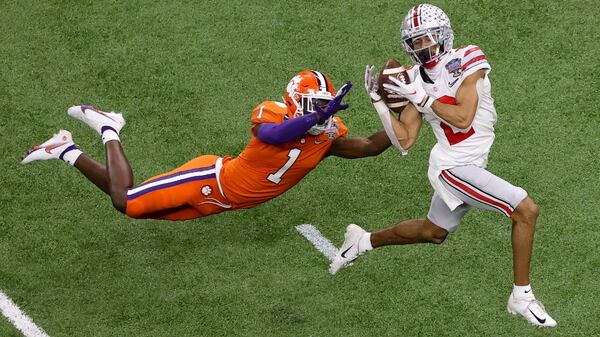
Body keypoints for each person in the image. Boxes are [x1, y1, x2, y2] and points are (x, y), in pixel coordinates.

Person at [329, 4, 556, 327]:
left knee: (433, 232)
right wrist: (381, 105)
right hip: (452, 167)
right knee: (525, 209)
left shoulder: (467, 58)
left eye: (427, 38)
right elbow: (405, 140)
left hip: (471, 159)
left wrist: (420, 98)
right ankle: (521, 296)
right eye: (415, 42)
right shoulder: (410, 79)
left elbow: (463, 118)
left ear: (444, 35)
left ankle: (362, 240)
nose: (423, 47)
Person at [21, 70, 392, 221]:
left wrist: (411, 108)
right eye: (315, 107)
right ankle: (107, 127)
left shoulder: (328, 136)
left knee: (132, 204)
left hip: (224, 201)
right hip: (211, 179)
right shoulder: (273, 114)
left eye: (325, 107)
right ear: (297, 105)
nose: (323, 114)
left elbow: (374, 145)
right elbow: (271, 137)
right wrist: (311, 119)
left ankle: (64, 148)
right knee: (127, 202)